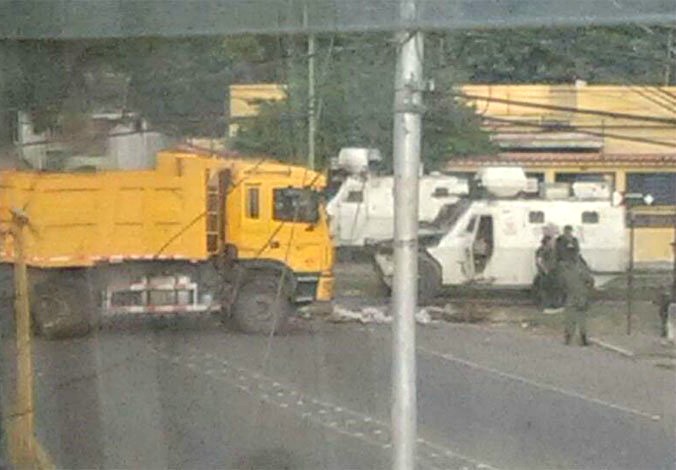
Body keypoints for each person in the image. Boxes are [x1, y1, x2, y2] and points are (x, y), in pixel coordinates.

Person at [555, 225, 594, 345]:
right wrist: (588, 290)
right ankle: (583, 338)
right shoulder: (581, 267)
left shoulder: (564, 269)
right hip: (581, 294)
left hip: (571, 294)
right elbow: (590, 280)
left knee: (570, 317)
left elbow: (561, 284)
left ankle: (568, 337)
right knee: (581, 317)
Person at [534, 235, 559, 311]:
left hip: (552, 272)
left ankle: (552, 305)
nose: (552, 243)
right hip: (544, 273)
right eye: (550, 241)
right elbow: (539, 261)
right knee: (544, 290)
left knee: (552, 289)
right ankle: (543, 306)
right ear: (547, 242)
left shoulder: (552, 250)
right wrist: (545, 270)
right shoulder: (541, 250)